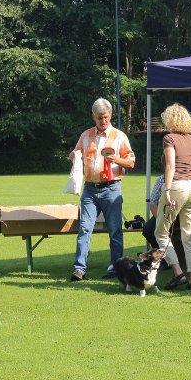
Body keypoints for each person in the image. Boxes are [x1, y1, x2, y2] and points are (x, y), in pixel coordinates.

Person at [69, 98, 135, 281]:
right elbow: (75, 154)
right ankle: (79, 269)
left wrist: (116, 160)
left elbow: (131, 162)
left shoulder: (119, 136)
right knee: (85, 229)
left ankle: (116, 268)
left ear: (110, 115)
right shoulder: (85, 135)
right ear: (93, 116)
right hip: (90, 189)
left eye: (105, 117)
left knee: (115, 231)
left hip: (111, 188)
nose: (103, 121)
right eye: (99, 118)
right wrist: (73, 156)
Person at [155, 103, 191, 290]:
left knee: (161, 232)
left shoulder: (169, 138)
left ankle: (178, 272)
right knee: (189, 235)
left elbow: (170, 166)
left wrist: (166, 190)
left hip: (177, 186)